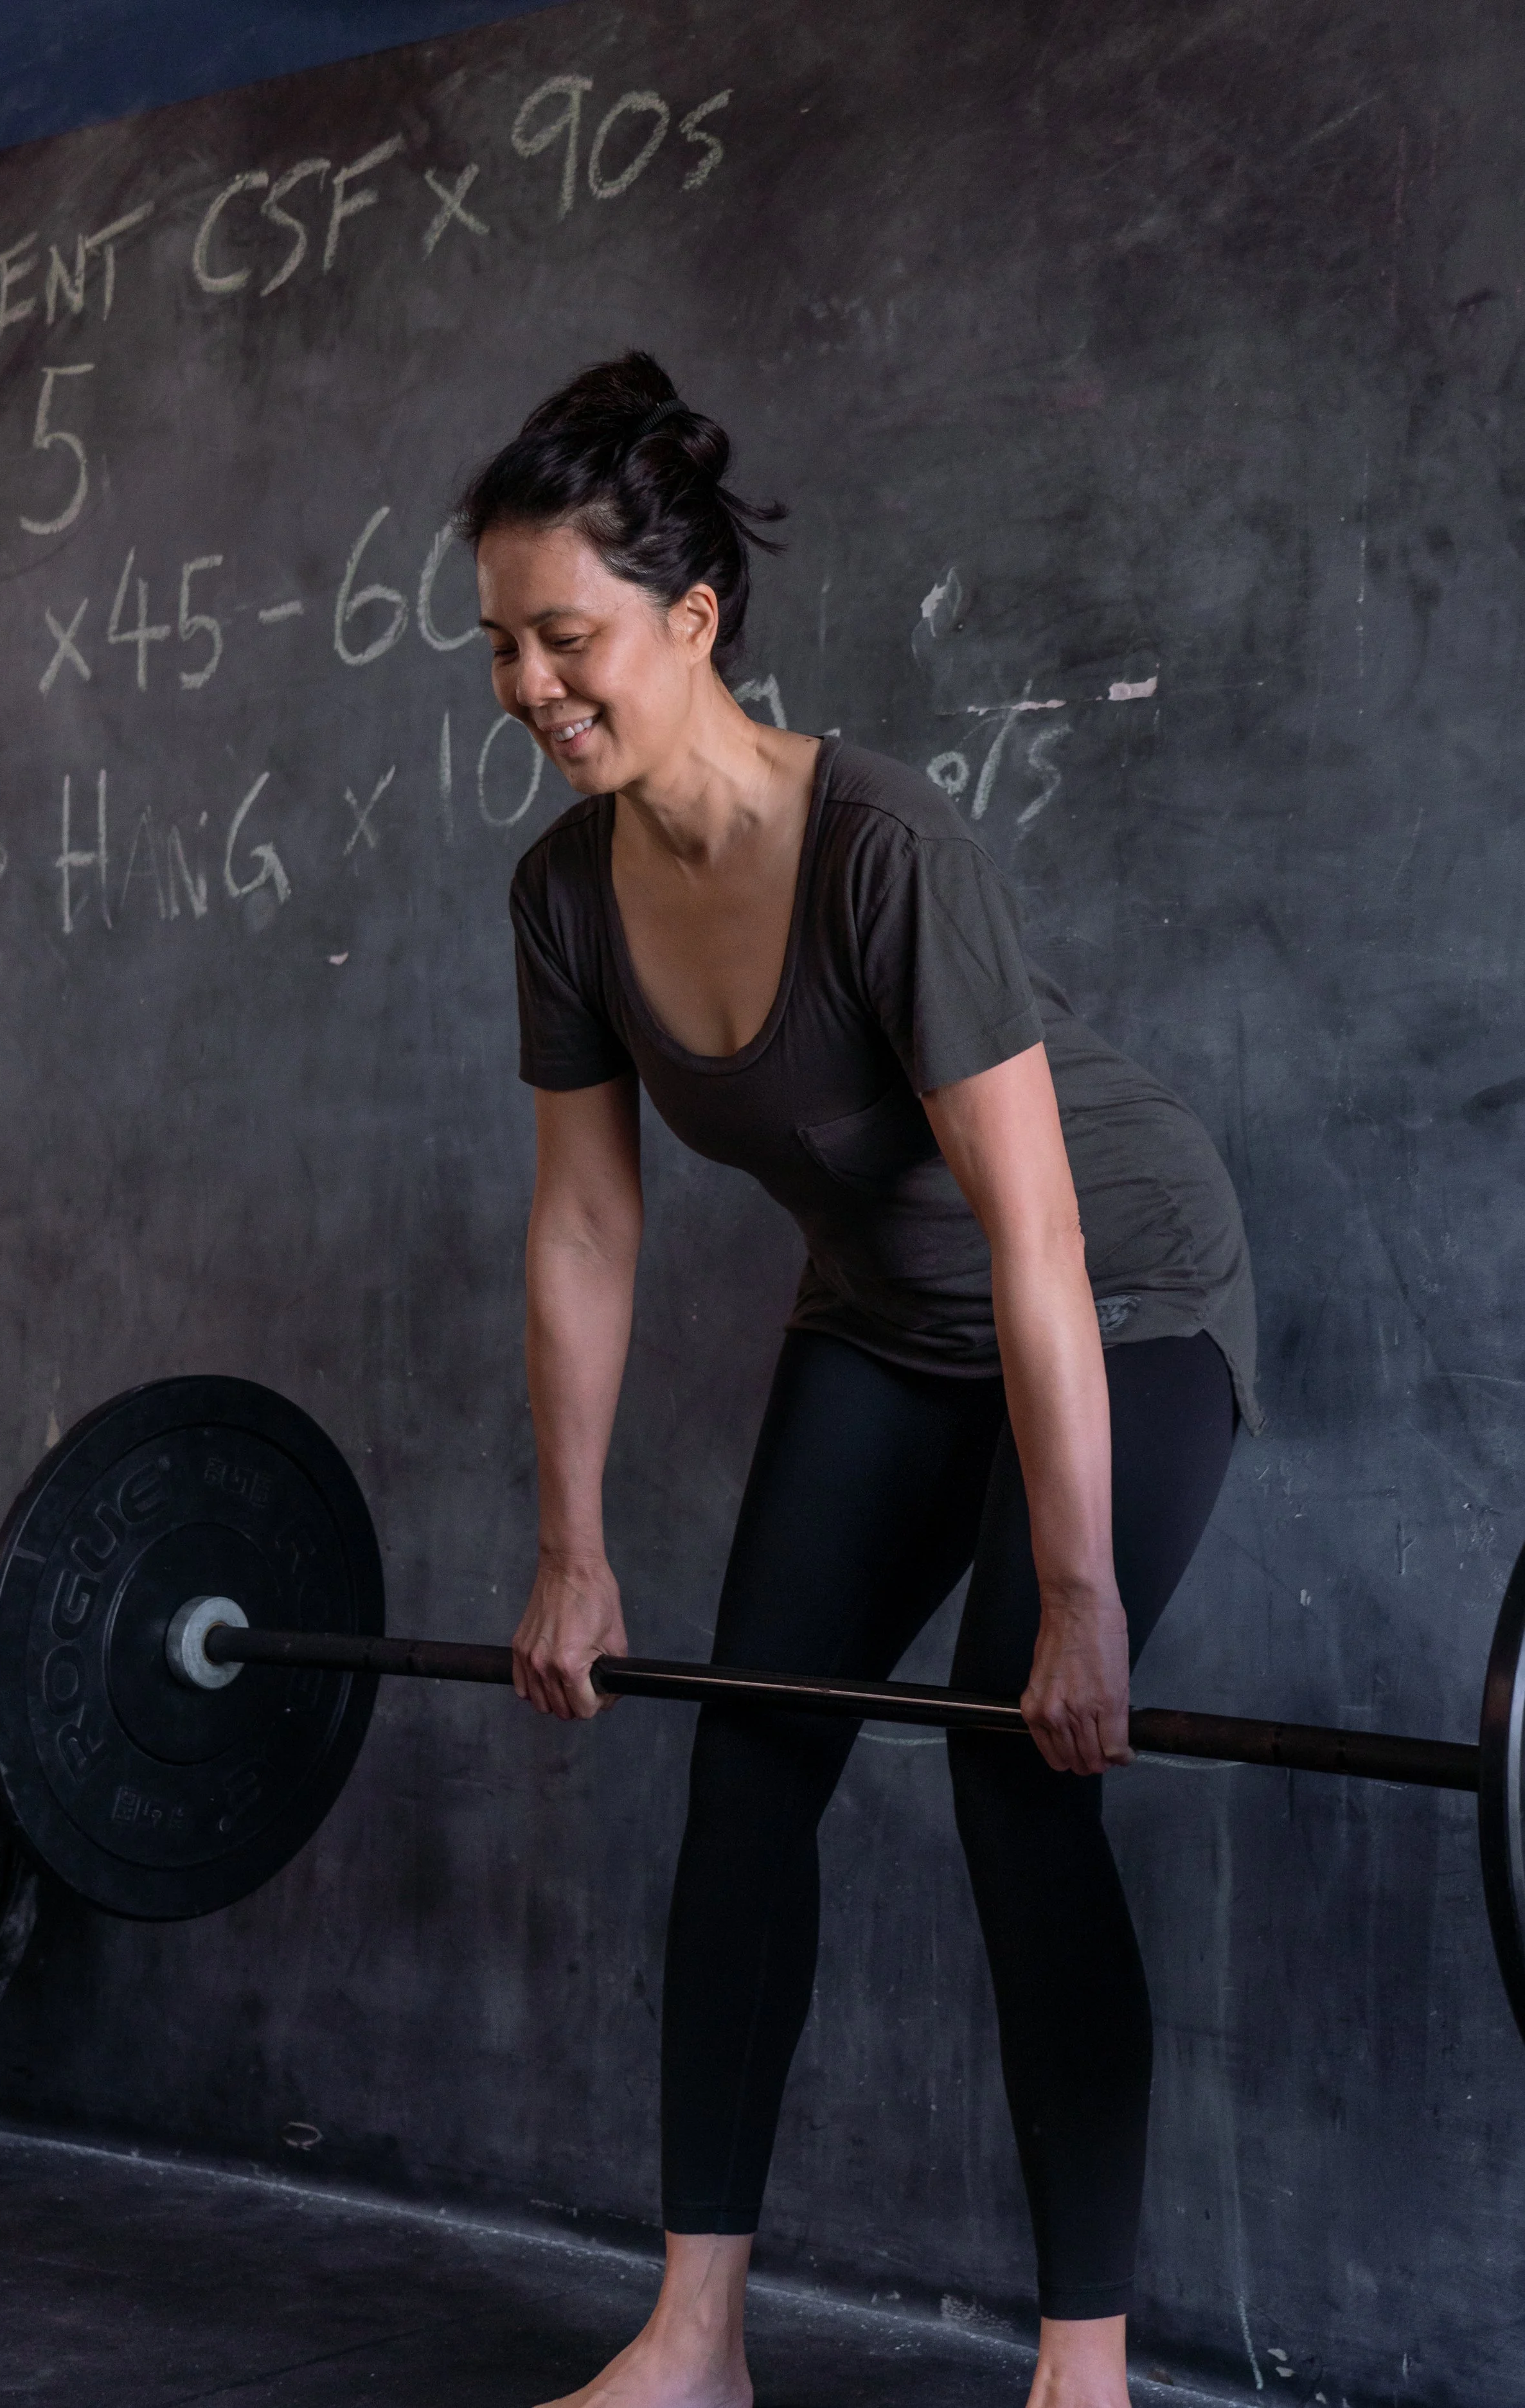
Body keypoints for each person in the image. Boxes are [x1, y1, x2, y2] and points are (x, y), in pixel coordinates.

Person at [463, 351, 1258, 2408]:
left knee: (1015, 1760)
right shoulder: (563, 896)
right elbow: (581, 1227)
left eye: (571, 637)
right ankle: (695, 2338)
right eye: (502, 646)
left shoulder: (883, 843)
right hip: (883, 1328)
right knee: (747, 1767)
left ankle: (1078, 2373)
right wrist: (568, 1548)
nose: (533, 684)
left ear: (690, 620)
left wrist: (1072, 1596)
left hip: (1125, 1287)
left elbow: (1039, 1236)